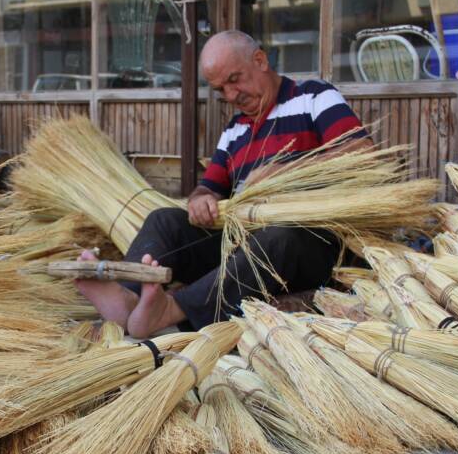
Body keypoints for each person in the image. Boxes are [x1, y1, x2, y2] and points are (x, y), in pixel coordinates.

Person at [75, 30, 373, 338]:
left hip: (310, 243)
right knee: (165, 220)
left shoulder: (313, 96)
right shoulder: (236, 130)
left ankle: (172, 310)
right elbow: (208, 187)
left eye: (235, 80)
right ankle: (127, 296)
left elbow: (363, 154)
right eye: (221, 90)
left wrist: (286, 170)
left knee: (280, 236)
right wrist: (201, 200)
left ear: (260, 60)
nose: (231, 96)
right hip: (242, 240)